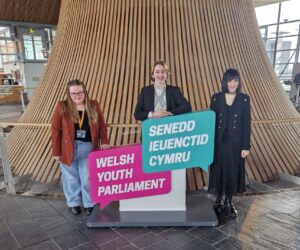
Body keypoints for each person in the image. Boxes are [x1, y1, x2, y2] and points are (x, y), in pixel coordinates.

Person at [52, 79, 110, 215]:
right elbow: (55, 130)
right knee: (70, 178)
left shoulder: (93, 105)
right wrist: (56, 151)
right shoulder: (62, 106)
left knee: (87, 177)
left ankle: (89, 203)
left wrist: (105, 140)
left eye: (80, 92)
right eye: (73, 93)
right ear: (68, 94)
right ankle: (74, 203)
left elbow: (101, 124)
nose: (77, 96)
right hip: (67, 149)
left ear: (85, 92)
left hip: (88, 148)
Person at [208, 68, 251, 218]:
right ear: (225, 81)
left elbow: (247, 123)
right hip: (218, 143)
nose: (233, 83)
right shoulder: (216, 98)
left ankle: (229, 201)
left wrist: (246, 146)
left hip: (236, 143)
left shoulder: (244, 99)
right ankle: (219, 199)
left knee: (232, 171)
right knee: (219, 170)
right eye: (230, 80)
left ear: (238, 82)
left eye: (236, 80)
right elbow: (210, 121)